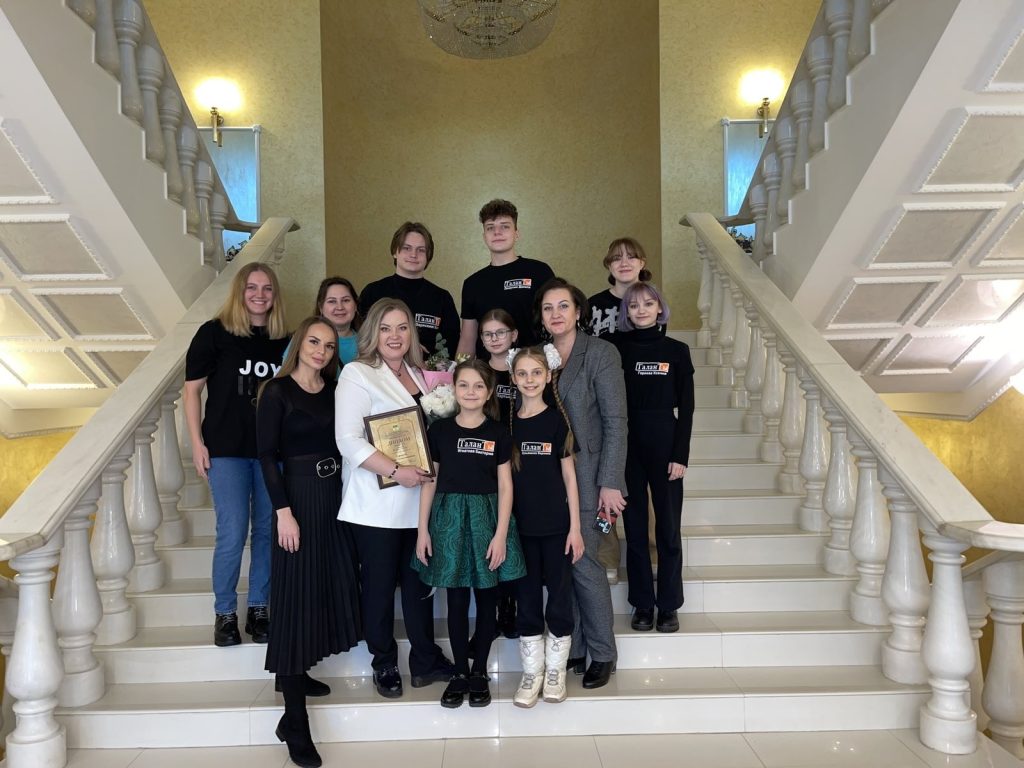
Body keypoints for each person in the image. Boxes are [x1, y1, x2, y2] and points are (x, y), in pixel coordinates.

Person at [334, 298, 454, 699]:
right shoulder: (357, 373)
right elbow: (348, 440)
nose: (395, 336)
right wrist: (396, 470)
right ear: (373, 333)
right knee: (380, 588)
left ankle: (424, 659)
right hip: (377, 506)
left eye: (402, 327)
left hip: (419, 503)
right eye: (386, 328)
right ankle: (383, 662)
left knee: (419, 585)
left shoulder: (422, 375)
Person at [257, 317, 361, 768]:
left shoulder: (337, 389)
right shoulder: (277, 392)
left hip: (333, 497)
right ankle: (294, 722)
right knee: (295, 599)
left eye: (329, 345)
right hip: (297, 500)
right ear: (300, 344)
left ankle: (296, 672)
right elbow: (266, 456)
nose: (320, 350)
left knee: (322, 590)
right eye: (314, 342)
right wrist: (283, 512)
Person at [183, 262, 289, 648]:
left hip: (271, 452)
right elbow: (191, 391)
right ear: (239, 292)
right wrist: (197, 443)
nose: (260, 295)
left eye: (267, 288)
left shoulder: (285, 341)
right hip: (226, 450)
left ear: (275, 295)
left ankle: (259, 608)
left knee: (266, 531)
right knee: (232, 531)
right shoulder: (214, 333)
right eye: (252, 288)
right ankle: (225, 612)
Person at [414, 360, 526, 708]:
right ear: (454, 389)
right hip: (449, 519)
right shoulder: (440, 431)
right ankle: (460, 672)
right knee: (457, 600)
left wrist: (501, 534)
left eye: (479, 386)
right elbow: (429, 482)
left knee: (488, 598)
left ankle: (479, 672)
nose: (471, 392)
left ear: (489, 392)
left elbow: (505, 487)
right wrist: (422, 530)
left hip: (487, 519)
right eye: (464, 385)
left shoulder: (499, 433)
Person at [535, 277, 626, 689]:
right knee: (562, 566)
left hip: (590, 479)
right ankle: (575, 647)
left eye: (563, 306)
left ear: (578, 312)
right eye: (548, 308)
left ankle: (603, 653)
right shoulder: (540, 356)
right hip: (548, 481)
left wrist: (610, 482)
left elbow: (616, 421)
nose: (555, 314)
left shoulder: (601, 353)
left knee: (586, 565)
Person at [612, 283, 694, 634]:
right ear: (626, 312)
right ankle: (643, 603)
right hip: (628, 445)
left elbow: (687, 407)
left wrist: (680, 454)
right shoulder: (616, 348)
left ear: (660, 308)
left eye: (648, 303)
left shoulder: (677, 350)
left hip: (666, 444)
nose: (642, 310)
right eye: (634, 305)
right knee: (633, 528)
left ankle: (669, 604)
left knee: (668, 529)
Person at [508, 346, 584, 707]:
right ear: (513, 378)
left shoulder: (556, 422)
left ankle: (555, 671)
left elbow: (570, 478)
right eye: (522, 374)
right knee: (526, 600)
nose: (529, 380)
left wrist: (575, 528)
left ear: (548, 376)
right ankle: (532, 673)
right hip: (521, 530)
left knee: (559, 597)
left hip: (556, 528)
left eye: (536, 373)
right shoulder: (508, 426)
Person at [457, 199, 554, 359]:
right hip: (487, 371)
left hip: (532, 369)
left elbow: (555, 325)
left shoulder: (539, 272)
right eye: (490, 227)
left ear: (516, 233)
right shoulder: (472, 284)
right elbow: (468, 340)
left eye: (505, 226)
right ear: (484, 236)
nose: (497, 232)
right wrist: (460, 372)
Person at [359, 222, 459, 360]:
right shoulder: (373, 292)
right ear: (395, 251)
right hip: (380, 369)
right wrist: (405, 348)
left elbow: (451, 345)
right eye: (407, 248)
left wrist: (428, 362)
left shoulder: (442, 298)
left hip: (427, 371)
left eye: (421, 250)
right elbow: (362, 338)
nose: (413, 255)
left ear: (428, 256)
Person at [283, 277, 361, 366]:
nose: (340, 307)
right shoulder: (302, 337)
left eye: (346, 300)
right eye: (332, 301)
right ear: (321, 307)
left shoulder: (368, 342)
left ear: (355, 305)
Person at [589, 237, 653, 339]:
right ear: (609, 266)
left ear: (642, 263)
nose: (624, 263)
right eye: (617, 258)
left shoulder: (653, 302)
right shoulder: (592, 305)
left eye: (631, 257)